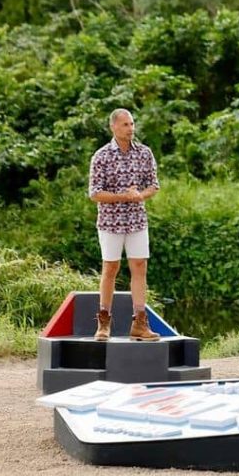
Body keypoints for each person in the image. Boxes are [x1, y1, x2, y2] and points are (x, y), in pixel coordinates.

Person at [88, 108, 161, 342]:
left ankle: (139, 323)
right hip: (110, 222)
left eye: (132, 124)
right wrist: (124, 196)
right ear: (113, 127)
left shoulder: (145, 153)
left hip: (137, 220)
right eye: (125, 125)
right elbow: (95, 193)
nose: (130, 129)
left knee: (139, 266)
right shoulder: (101, 156)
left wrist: (140, 195)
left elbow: (153, 185)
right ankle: (103, 322)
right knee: (110, 268)